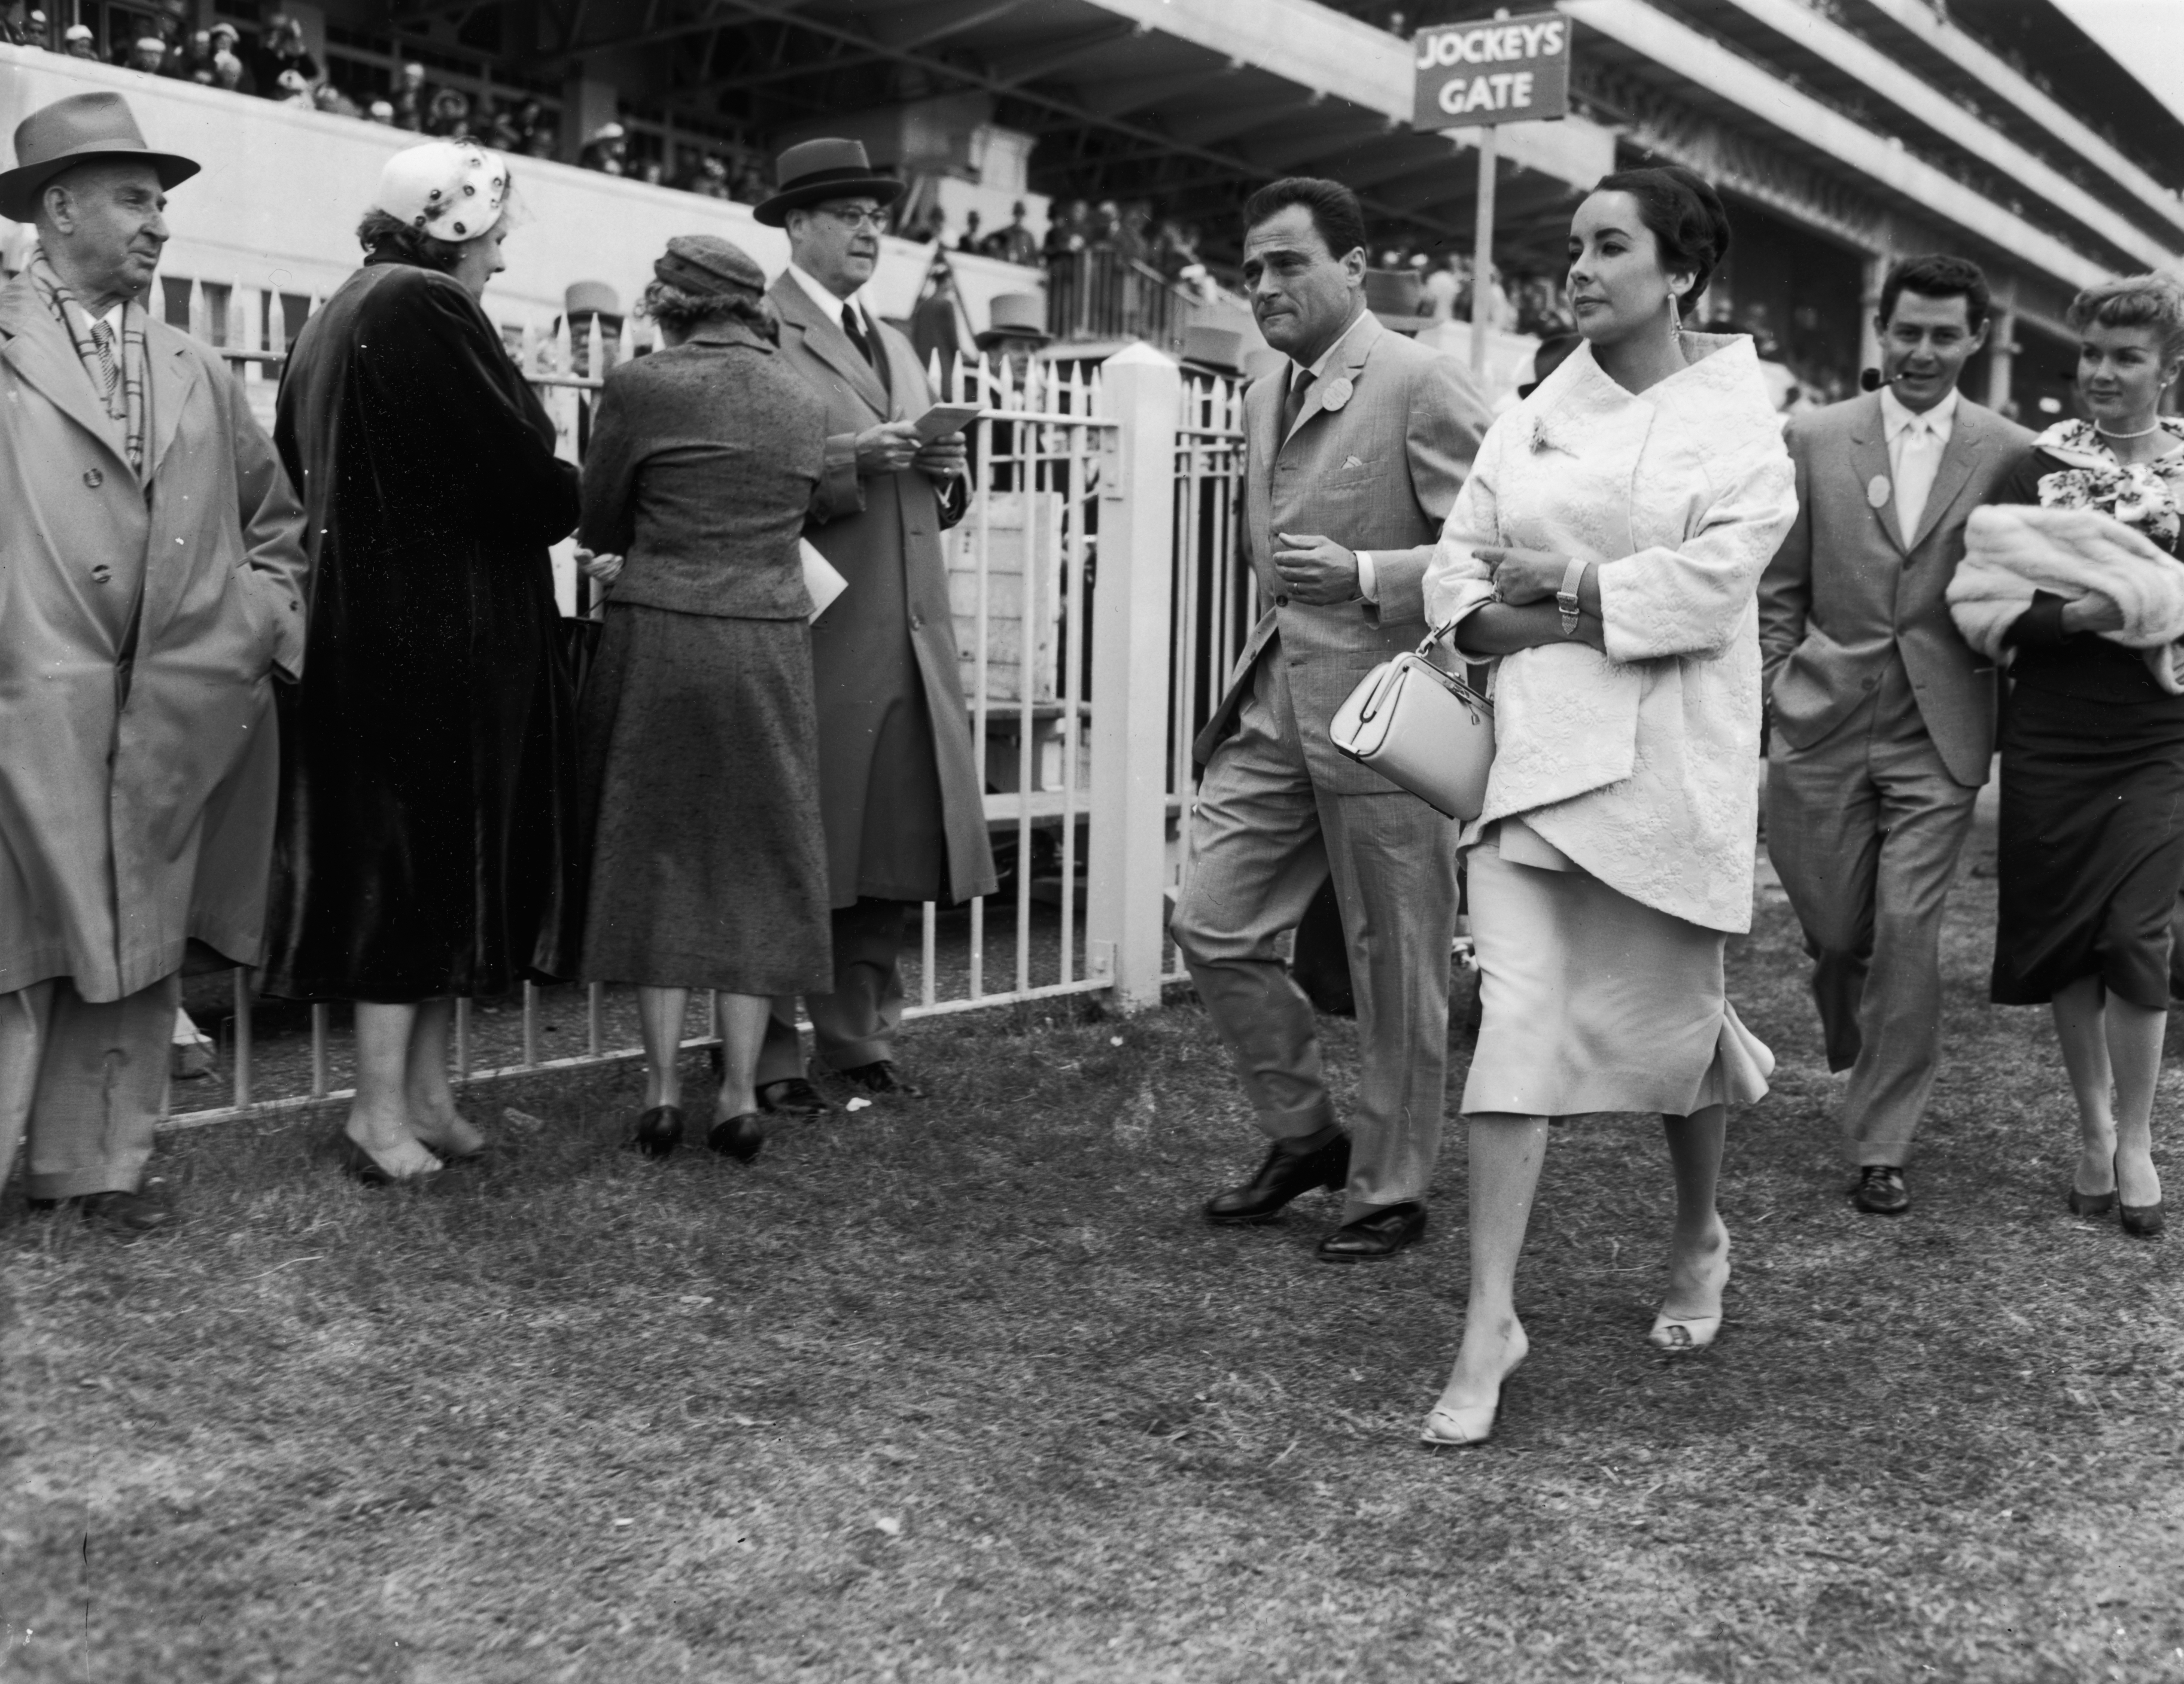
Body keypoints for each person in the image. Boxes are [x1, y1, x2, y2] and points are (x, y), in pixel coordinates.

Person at [1417, 167, 1796, 1445]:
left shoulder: (1742, 419)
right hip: (1531, 765)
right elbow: (1457, 576)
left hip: (1671, 771)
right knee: (1513, 1025)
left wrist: (1568, 585)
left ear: (1679, 271)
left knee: (1673, 1028)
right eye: (1571, 246)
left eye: (1608, 247)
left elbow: (1706, 593)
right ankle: (1488, 1322)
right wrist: (1537, 609)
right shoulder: (1532, 412)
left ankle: (1698, 1237)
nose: (1575, 268)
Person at [0, 92, 310, 1234]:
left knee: (135, 940)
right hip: (28, 699)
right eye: (135, 200)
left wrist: (257, 628)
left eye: (163, 203)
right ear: (58, 205)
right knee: (16, 939)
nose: (160, 225)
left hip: (172, 707)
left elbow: (274, 521)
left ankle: (98, 1171)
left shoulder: (195, 366)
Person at [1173, 176, 1491, 1263]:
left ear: (1355, 267)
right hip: (1275, 698)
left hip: (1389, 715)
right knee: (1211, 921)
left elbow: (1491, 553)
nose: (1262, 286)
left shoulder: (1421, 379)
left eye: (1287, 263)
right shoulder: (1263, 389)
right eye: (1251, 267)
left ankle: (1388, 1187)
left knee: (1396, 962)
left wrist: (1369, 572)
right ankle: (1305, 1136)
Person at [266, 139, 582, 1184]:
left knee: (429, 869)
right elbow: (522, 483)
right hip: (430, 636)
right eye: (493, 235)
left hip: (375, 629)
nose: (499, 256)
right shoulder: (426, 309)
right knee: (415, 874)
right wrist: (565, 484)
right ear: (456, 230)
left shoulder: (340, 313)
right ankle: (377, 1115)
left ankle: (426, 1100)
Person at [1760, 255, 2030, 1217]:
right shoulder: (1812, 435)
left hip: (1940, 729)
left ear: (1974, 340)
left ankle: (1882, 1144)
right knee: (1839, 933)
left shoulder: (2010, 450)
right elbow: (1778, 589)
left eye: (1942, 334)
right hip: (1818, 720)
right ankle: (1853, 1004)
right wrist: (1769, 689)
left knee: (1909, 933)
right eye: (1906, 331)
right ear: (1882, 332)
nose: (1922, 350)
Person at [571, 236, 834, 1164]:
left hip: (660, 637)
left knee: (657, 853)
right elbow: (820, 502)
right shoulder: (808, 402)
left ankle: (657, 1090)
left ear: (669, 302)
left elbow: (598, 518)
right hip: (765, 641)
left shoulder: (642, 387)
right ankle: (735, 1094)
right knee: (756, 861)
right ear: (753, 307)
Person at [758, 138, 997, 1110]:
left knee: (887, 845)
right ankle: (770, 1051)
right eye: (846, 213)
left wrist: (947, 476)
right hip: (813, 631)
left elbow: (931, 493)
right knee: (798, 844)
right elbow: (745, 474)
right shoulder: (759, 332)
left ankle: (857, 1038)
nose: (868, 230)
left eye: (874, 215)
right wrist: (856, 453)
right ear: (796, 224)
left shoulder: (894, 339)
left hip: (906, 635)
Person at [1946, 273, 2184, 1241]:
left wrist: (2143, 612)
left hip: (2159, 731)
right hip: (2050, 729)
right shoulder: (2032, 468)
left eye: (2124, 357)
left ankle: (2136, 1137)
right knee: (2069, 940)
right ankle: (2090, 1128)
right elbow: (1977, 602)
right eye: (2090, 353)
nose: (2101, 372)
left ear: (2167, 370)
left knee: (2137, 933)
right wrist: (2078, 614)